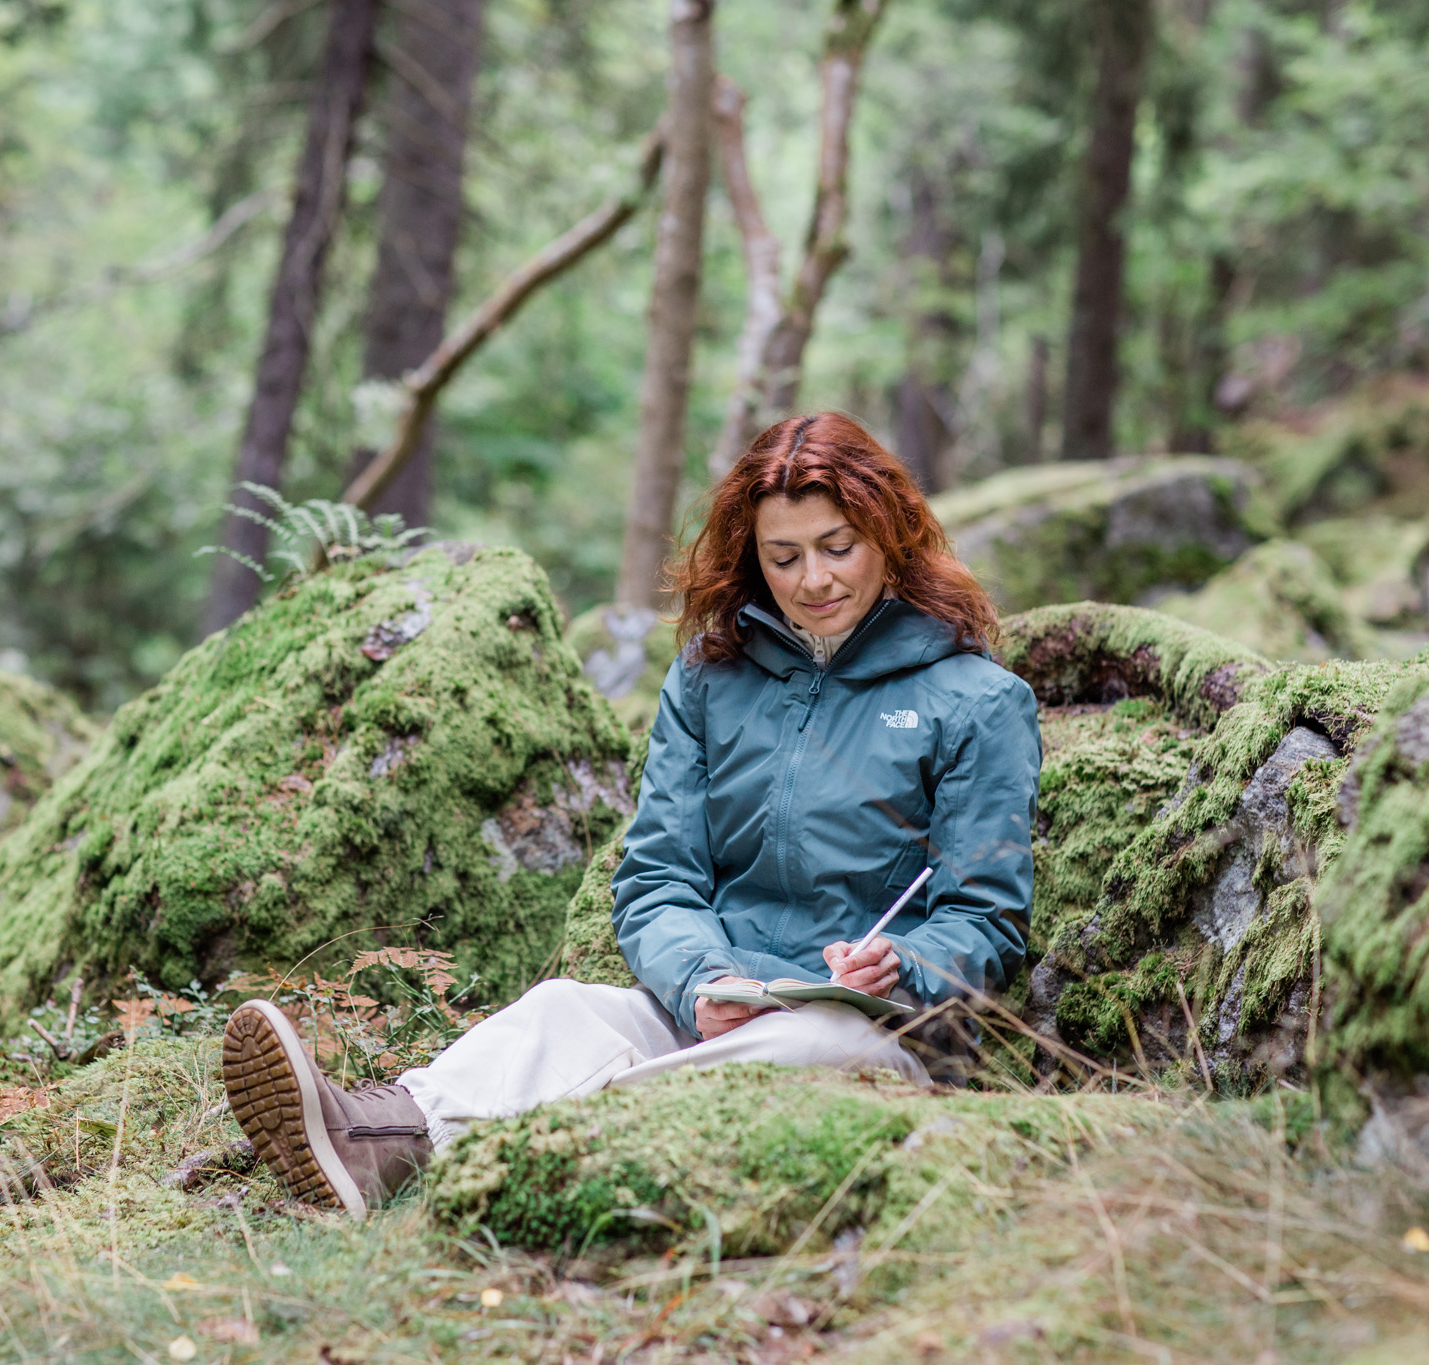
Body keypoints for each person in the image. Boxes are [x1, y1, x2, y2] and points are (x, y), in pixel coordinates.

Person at [220, 413, 1041, 1219]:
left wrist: (901, 961)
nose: (813, 580)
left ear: (889, 533)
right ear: (751, 557)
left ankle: (549, 1147)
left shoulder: (975, 701)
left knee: (811, 1045)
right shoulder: (710, 679)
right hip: (724, 1004)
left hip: (874, 1031)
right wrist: (700, 983)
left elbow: (986, 918)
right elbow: (658, 875)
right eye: (783, 556)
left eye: (838, 547)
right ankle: (377, 1138)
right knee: (562, 1010)